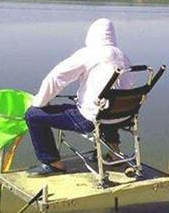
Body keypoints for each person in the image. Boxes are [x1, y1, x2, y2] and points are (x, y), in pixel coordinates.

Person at [25, 18, 133, 177]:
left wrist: (40, 102)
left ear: (91, 34)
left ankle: (53, 163)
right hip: (122, 116)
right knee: (110, 104)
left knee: (33, 115)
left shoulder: (88, 53)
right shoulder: (122, 55)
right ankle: (114, 151)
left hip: (91, 120)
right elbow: (128, 85)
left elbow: (56, 78)